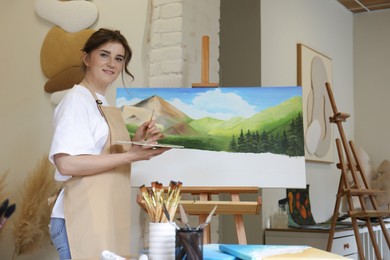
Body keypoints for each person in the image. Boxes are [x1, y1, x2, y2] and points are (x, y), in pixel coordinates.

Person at [48, 28, 170, 260]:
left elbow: (99, 153)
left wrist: (134, 142)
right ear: (86, 58)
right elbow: (67, 164)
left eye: (119, 58)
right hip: (82, 215)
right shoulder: (77, 100)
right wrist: (133, 155)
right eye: (104, 55)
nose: (111, 63)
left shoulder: (101, 102)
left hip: (104, 214)